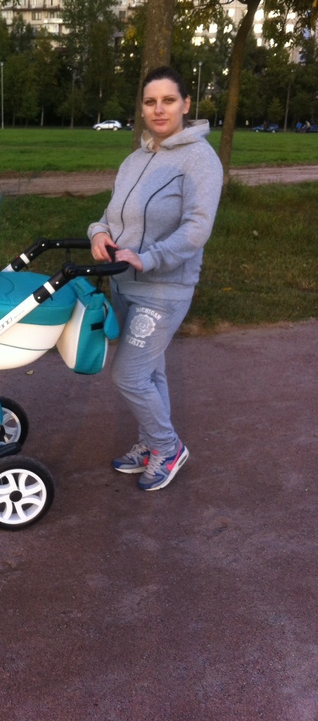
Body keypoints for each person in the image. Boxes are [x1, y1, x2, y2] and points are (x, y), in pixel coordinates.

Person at [88, 66, 223, 491]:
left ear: (186, 104)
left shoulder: (200, 159)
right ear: (142, 109)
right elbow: (110, 216)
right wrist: (98, 234)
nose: (159, 109)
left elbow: (197, 228)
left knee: (128, 375)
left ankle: (168, 447)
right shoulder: (135, 160)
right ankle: (150, 443)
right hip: (123, 283)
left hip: (164, 287)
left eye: (168, 100)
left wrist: (149, 258)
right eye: (150, 102)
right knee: (150, 372)